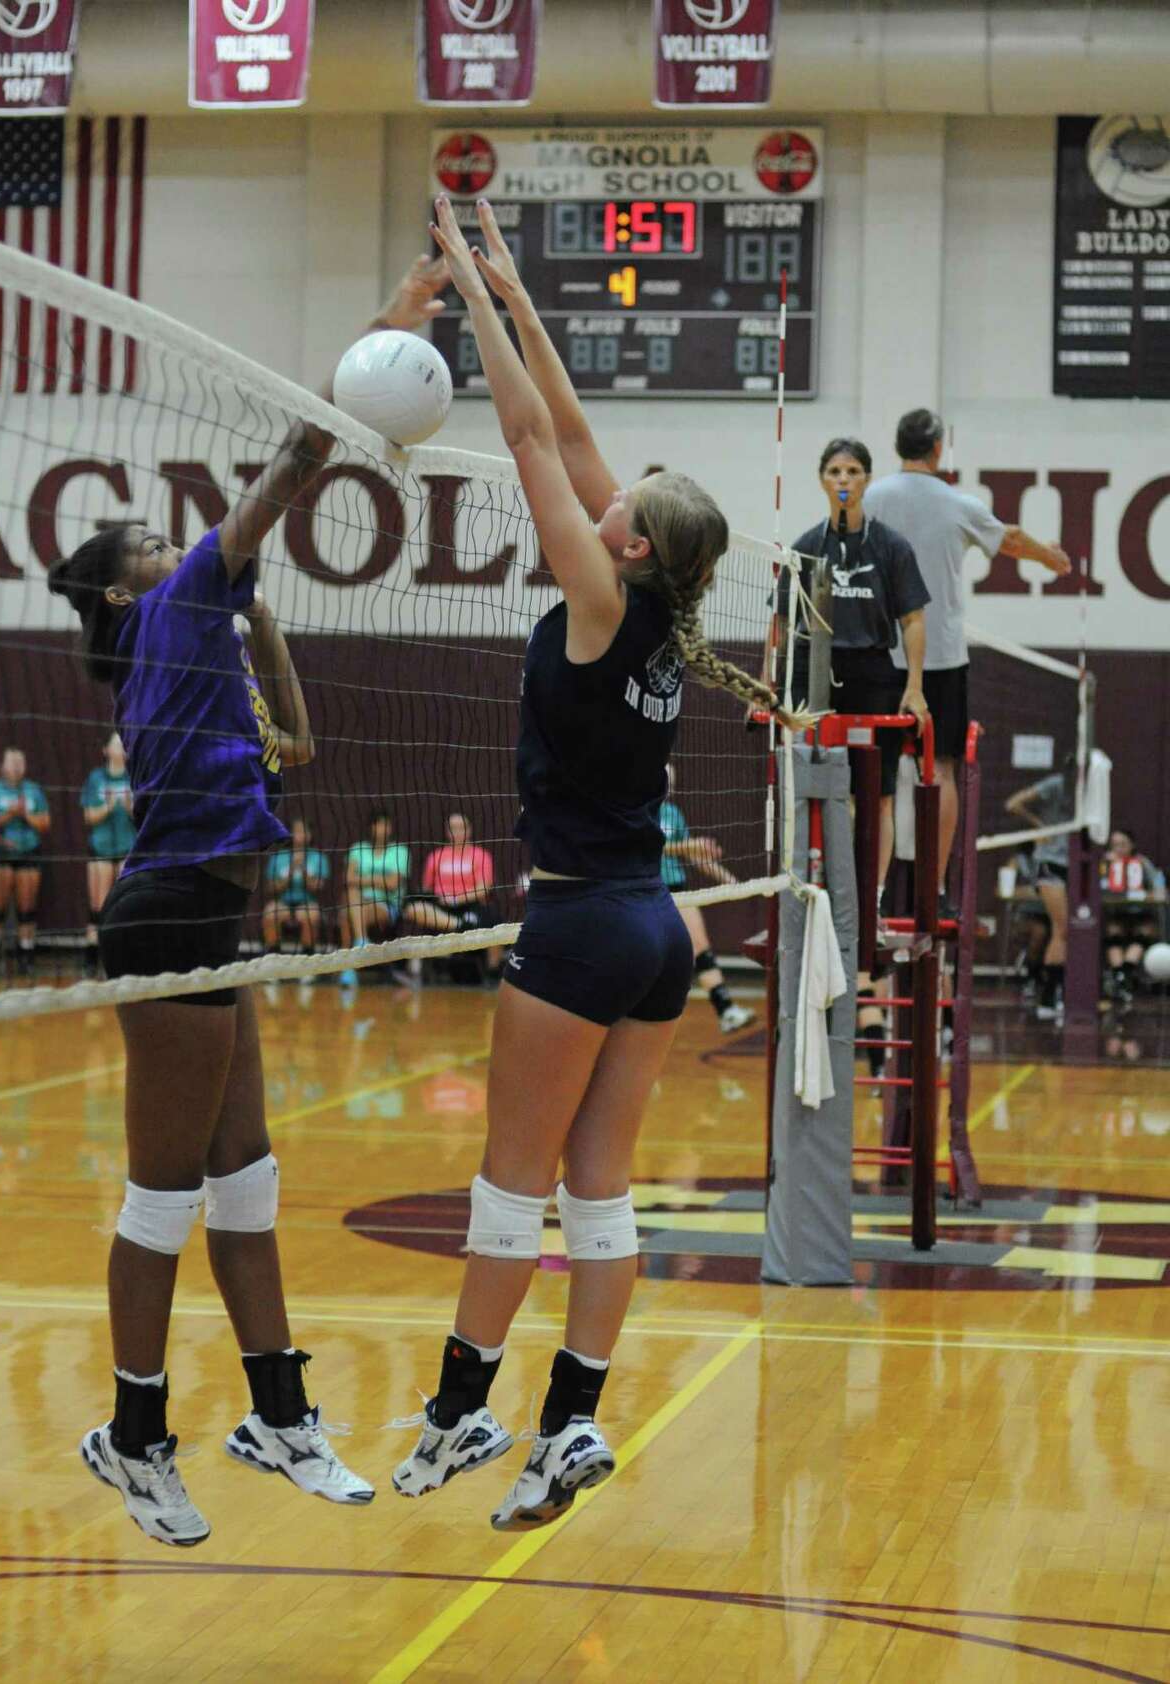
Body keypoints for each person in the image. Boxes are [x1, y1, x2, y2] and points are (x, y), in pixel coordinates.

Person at [389, 196, 798, 1532]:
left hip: (575, 928)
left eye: (617, 504)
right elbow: (567, 436)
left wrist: (459, 285)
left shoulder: (602, 598)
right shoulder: (664, 617)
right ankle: (572, 1427)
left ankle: (459, 1414)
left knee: (514, 1183)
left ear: (625, 542)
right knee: (600, 1186)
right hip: (659, 933)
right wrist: (514, 293)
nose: (602, 493)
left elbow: (523, 437)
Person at [44, 252, 450, 1546]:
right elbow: (285, 473)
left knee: (249, 1184)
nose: (182, 546)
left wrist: (252, 604)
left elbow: (304, 737)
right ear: (126, 588)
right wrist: (372, 355)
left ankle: (276, 1414)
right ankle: (136, 1433)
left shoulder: (193, 625)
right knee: (163, 1199)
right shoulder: (171, 611)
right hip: (168, 920)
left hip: (207, 919)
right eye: (155, 546)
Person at [863, 408, 1071, 898]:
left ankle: (869, 887)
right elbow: (1013, 539)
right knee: (943, 768)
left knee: (877, 770)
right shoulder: (959, 502)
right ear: (937, 449)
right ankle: (932, 887)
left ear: (898, 447)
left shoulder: (870, 497)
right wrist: (1052, 557)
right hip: (940, 658)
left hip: (881, 654)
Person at [776, 437, 929, 892]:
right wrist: (770, 683)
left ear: (866, 479)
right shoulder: (806, 545)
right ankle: (813, 886)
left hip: (872, 674)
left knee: (876, 794)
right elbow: (782, 621)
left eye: (852, 471)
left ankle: (872, 897)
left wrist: (915, 685)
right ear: (823, 480)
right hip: (814, 670)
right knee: (816, 786)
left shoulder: (891, 546)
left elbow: (914, 619)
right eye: (835, 472)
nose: (843, 480)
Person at [659, 762, 754, 1034]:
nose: (670, 789)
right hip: (649, 890)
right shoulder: (638, 811)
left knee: (701, 948)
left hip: (679, 889)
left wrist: (730, 881)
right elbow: (651, 845)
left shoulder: (673, 812)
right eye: (666, 782)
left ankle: (726, 1010)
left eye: (672, 784)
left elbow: (692, 855)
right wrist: (690, 845)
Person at [1005, 763, 1073, 1020]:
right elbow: (1013, 803)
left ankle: (1054, 994)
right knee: (1061, 929)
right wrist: (1040, 826)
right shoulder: (1056, 783)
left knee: (1067, 931)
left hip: (1074, 863)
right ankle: (1048, 996)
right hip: (1051, 863)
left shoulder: (1089, 788)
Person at [0, 746, 50, 979]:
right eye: (12, 761)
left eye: (21, 761)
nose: (17, 765)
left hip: (28, 854)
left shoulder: (34, 791)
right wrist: (10, 813)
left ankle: (25, 958)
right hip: (0, 855)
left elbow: (45, 824)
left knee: (26, 910)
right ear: (2, 766)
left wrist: (25, 814)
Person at [404, 812, 499, 977]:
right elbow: (427, 888)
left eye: (461, 828)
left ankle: (493, 972)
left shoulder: (481, 855)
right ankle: (459, 925)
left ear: (469, 830)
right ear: (447, 831)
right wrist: (437, 898)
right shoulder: (436, 856)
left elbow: (483, 888)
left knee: (494, 921)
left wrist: (457, 898)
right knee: (413, 908)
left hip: (470, 904)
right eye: (453, 828)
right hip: (442, 908)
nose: (457, 832)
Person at [80, 731, 136, 977]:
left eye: (124, 743)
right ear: (106, 751)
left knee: (124, 905)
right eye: (116, 743)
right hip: (101, 849)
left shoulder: (134, 777)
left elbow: (143, 815)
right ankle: (92, 961)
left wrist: (129, 806)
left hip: (127, 849)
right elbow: (88, 817)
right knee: (99, 907)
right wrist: (109, 806)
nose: (121, 747)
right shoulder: (96, 778)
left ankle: (122, 959)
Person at [339, 811, 411, 987]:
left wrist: (363, 879)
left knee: (348, 915)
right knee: (351, 900)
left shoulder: (400, 851)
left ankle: (348, 968)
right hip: (359, 903)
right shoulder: (358, 849)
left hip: (387, 905)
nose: (382, 829)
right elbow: (348, 880)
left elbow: (393, 884)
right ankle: (361, 942)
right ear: (372, 827)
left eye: (386, 825)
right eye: (378, 824)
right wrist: (380, 880)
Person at [262, 813, 331, 988]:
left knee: (309, 916)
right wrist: (292, 869)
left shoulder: (318, 857)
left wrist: (304, 870)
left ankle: (306, 966)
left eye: (303, 831)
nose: (300, 835)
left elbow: (317, 887)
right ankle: (273, 965)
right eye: (296, 831)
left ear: (310, 835)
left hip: (307, 901)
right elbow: (272, 888)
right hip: (284, 902)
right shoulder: (279, 856)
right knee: (270, 913)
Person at [1101, 827, 1166, 1003]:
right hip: (1117, 914)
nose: (1119, 849)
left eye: (1123, 844)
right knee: (1114, 931)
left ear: (1132, 845)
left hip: (1140, 913)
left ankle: (1123, 975)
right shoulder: (1105, 864)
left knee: (1144, 930)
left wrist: (1149, 894)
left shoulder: (1142, 863)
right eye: (1115, 845)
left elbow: (1158, 889)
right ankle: (1120, 976)